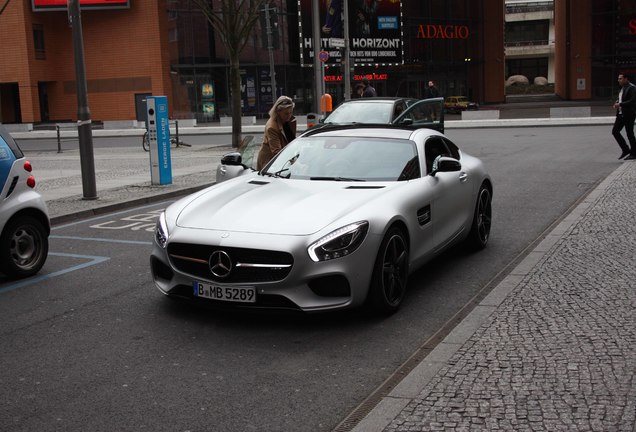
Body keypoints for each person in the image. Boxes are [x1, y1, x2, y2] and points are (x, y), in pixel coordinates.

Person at [257, 96, 296, 170]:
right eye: (286, 113)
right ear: (278, 111)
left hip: (281, 160)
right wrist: (293, 163)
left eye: (291, 112)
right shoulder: (272, 127)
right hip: (269, 162)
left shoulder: (287, 121)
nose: (289, 115)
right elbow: (277, 151)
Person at [613, 73, 636, 160]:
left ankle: (634, 153)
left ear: (626, 79)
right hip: (621, 114)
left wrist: (620, 104)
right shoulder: (623, 88)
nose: (618, 80)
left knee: (630, 133)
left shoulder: (632, 87)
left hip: (629, 114)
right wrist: (617, 102)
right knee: (615, 131)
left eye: (620, 79)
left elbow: (632, 101)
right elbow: (622, 98)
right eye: (618, 79)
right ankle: (626, 150)